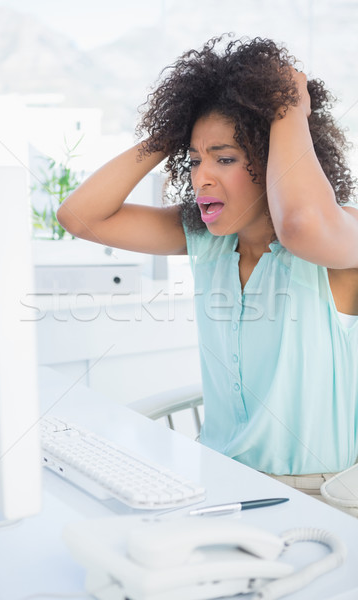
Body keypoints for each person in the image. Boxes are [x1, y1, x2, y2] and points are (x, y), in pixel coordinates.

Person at [57, 35, 358, 510]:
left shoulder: (344, 238)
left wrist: (287, 108)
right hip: (216, 483)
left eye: (225, 158)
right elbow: (81, 216)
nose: (201, 177)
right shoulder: (207, 241)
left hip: (322, 498)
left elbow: (301, 223)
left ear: (272, 158)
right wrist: (171, 132)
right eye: (195, 160)